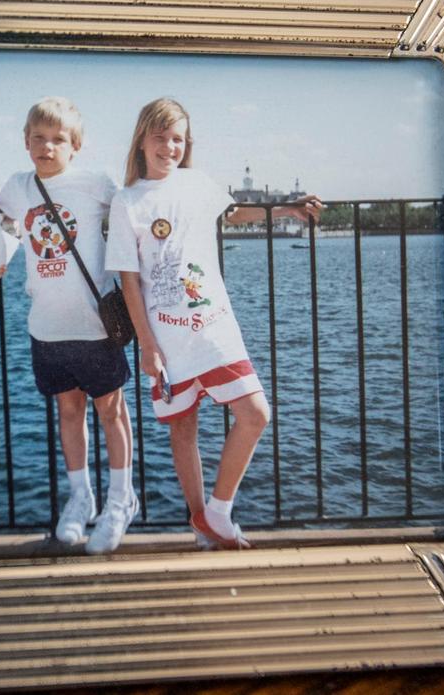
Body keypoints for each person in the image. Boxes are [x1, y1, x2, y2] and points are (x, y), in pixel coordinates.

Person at [105, 98, 322, 549]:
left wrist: (288, 208)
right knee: (183, 428)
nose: (170, 147)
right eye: (160, 137)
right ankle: (201, 523)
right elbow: (129, 282)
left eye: (178, 139)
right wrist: (147, 345)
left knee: (255, 414)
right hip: (167, 338)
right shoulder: (127, 201)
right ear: (142, 140)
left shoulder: (197, 183)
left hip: (214, 327)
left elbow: (235, 214)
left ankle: (218, 512)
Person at [0, 96, 137, 554]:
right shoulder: (20, 186)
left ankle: (120, 499)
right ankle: (81, 498)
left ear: (76, 146)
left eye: (58, 139)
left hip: (95, 326)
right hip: (47, 328)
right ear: (26, 141)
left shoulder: (95, 183)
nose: (47, 147)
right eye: (39, 138)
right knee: (69, 412)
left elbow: (137, 208)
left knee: (111, 412)